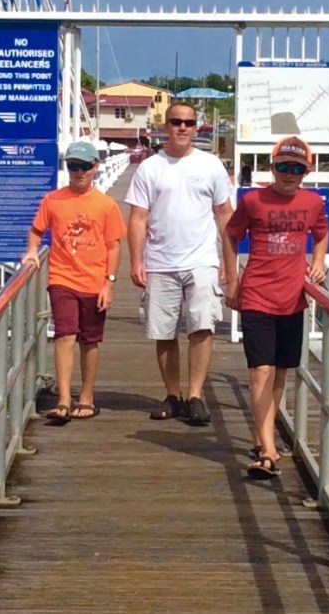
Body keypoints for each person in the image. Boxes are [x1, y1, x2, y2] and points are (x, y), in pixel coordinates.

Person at [223, 136, 329, 479]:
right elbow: (230, 233)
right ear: (272, 167)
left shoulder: (312, 202)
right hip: (257, 295)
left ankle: (262, 435)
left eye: (297, 168)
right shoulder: (253, 200)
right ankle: (268, 450)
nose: (289, 173)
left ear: (307, 171)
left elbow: (322, 232)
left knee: (280, 372)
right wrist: (232, 280)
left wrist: (317, 262)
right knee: (261, 371)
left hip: (292, 299)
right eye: (283, 166)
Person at [126, 101, 233, 425]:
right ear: (166, 126)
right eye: (176, 122)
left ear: (197, 127)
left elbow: (225, 215)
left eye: (188, 122)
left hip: (201, 259)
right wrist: (135, 260)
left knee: (202, 326)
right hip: (160, 262)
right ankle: (173, 394)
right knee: (164, 330)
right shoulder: (150, 168)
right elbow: (138, 218)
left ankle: (196, 395)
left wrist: (228, 262)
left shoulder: (211, 165)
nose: (182, 127)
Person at [21, 140, 126, 424]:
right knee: (65, 334)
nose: (79, 172)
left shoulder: (106, 205)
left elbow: (114, 246)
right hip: (62, 278)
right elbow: (36, 230)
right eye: (73, 166)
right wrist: (31, 252)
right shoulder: (53, 200)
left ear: (95, 167)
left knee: (90, 341)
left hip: (94, 282)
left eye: (85, 166)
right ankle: (64, 398)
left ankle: (87, 396)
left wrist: (109, 283)